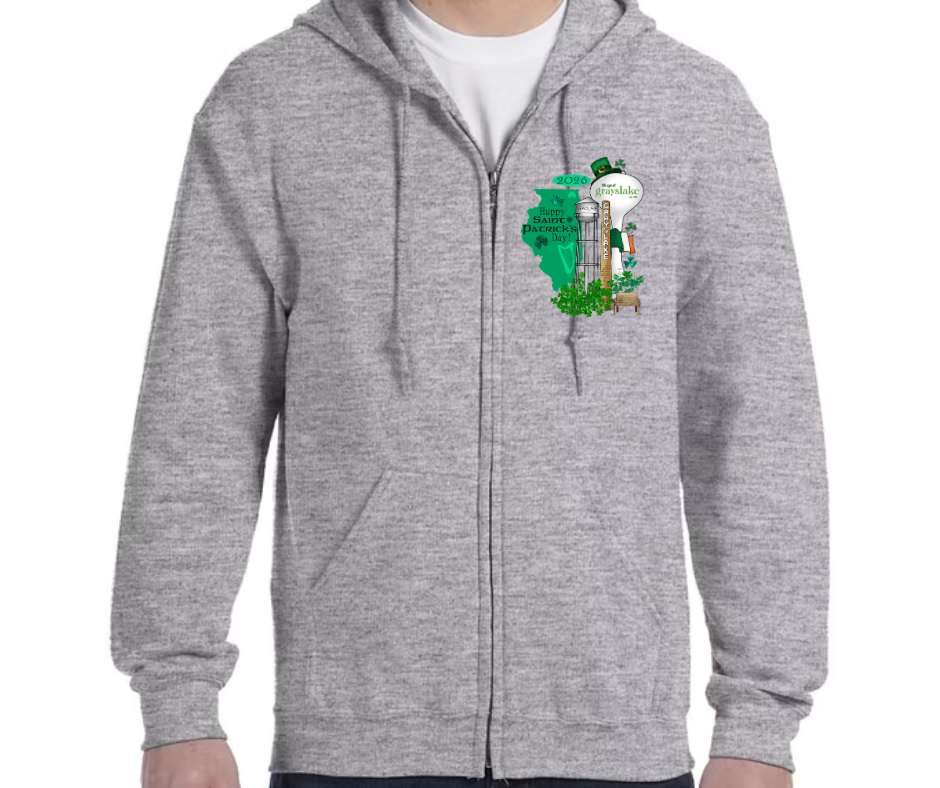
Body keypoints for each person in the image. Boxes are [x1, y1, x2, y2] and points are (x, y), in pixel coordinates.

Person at [109, 1, 829, 788]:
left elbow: (757, 425)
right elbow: (199, 412)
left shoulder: (691, 106)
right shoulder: (273, 98)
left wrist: (759, 725)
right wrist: (178, 703)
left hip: (616, 735)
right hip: (353, 741)